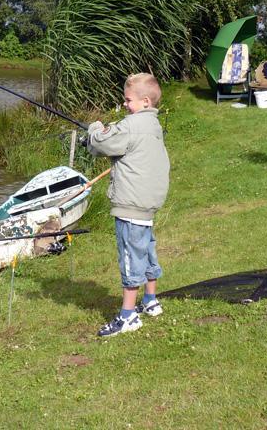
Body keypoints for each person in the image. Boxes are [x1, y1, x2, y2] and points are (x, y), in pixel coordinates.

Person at [87, 73, 170, 337]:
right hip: (147, 205)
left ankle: (127, 316)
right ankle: (150, 301)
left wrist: (94, 129)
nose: (125, 105)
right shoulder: (153, 125)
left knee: (130, 258)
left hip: (131, 206)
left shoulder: (132, 125)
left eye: (128, 100)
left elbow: (101, 143)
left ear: (145, 101)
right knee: (146, 251)